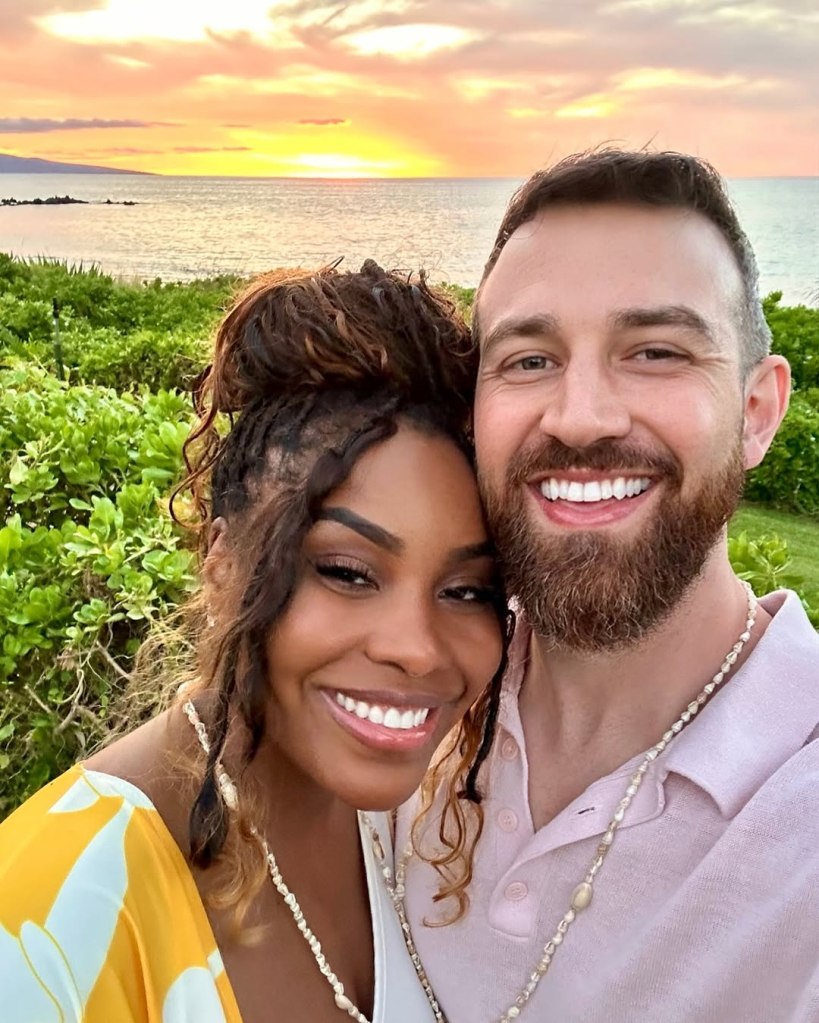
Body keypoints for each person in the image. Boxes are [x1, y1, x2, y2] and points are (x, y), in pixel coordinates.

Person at [0, 262, 511, 1023]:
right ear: (220, 564)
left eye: (466, 590)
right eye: (345, 571)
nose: (416, 648)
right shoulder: (61, 905)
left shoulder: (426, 822)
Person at [399, 150, 819, 1022]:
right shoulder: (402, 689)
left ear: (757, 412)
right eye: (526, 359)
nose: (580, 415)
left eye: (655, 351)